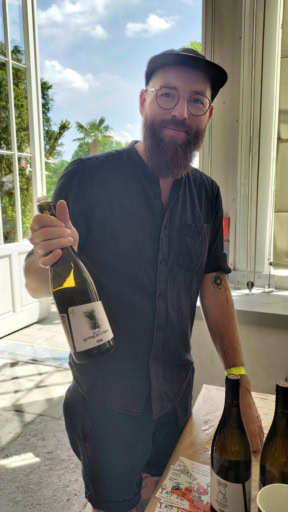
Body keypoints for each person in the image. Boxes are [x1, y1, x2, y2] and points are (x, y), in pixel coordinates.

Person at [24, 48, 264, 512]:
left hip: (174, 398)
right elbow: (39, 282)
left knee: (165, 499)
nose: (180, 111)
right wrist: (44, 255)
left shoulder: (206, 194)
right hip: (106, 404)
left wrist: (241, 385)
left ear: (208, 114)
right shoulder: (87, 179)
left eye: (196, 101)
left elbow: (215, 288)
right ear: (143, 102)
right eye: (167, 95)